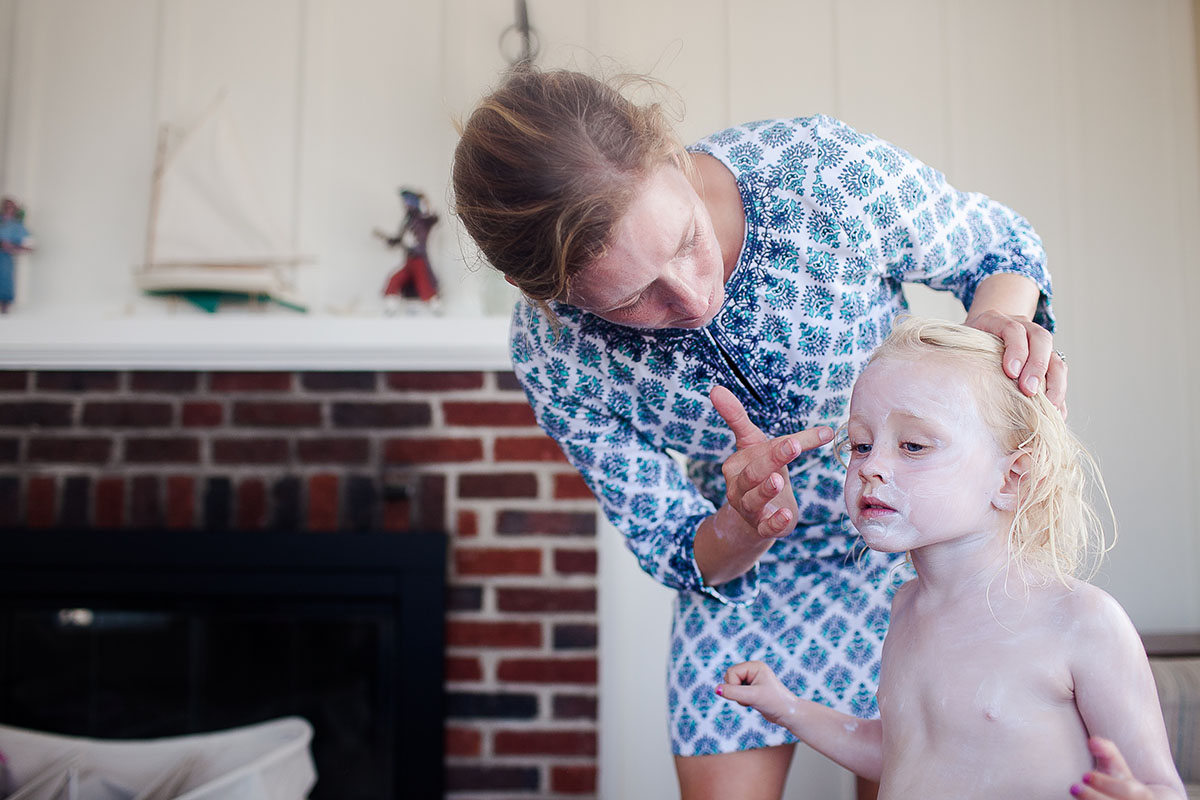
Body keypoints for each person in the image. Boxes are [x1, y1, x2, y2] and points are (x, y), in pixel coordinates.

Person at [451, 65, 1066, 800]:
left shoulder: (819, 174)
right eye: (633, 296)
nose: (691, 296)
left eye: (685, 241)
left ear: (668, 154)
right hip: (748, 589)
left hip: (916, 552)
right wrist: (745, 523)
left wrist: (993, 330)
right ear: (539, 292)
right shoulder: (553, 355)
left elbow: (999, 251)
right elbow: (679, 546)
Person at [717, 318, 1185, 800]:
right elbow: (905, 752)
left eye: (913, 446)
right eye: (860, 444)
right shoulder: (906, 607)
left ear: (1011, 480)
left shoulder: (1081, 620)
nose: (872, 465)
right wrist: (786, 707)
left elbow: (1160, 788)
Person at [0, 197, 34, 315]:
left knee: (5, 280)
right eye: (6, 207)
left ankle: (5, 308)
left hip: (5, 259)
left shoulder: (17, 226)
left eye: (11, 207)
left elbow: (28, 246)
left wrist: (12, 247)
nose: (8, 209)